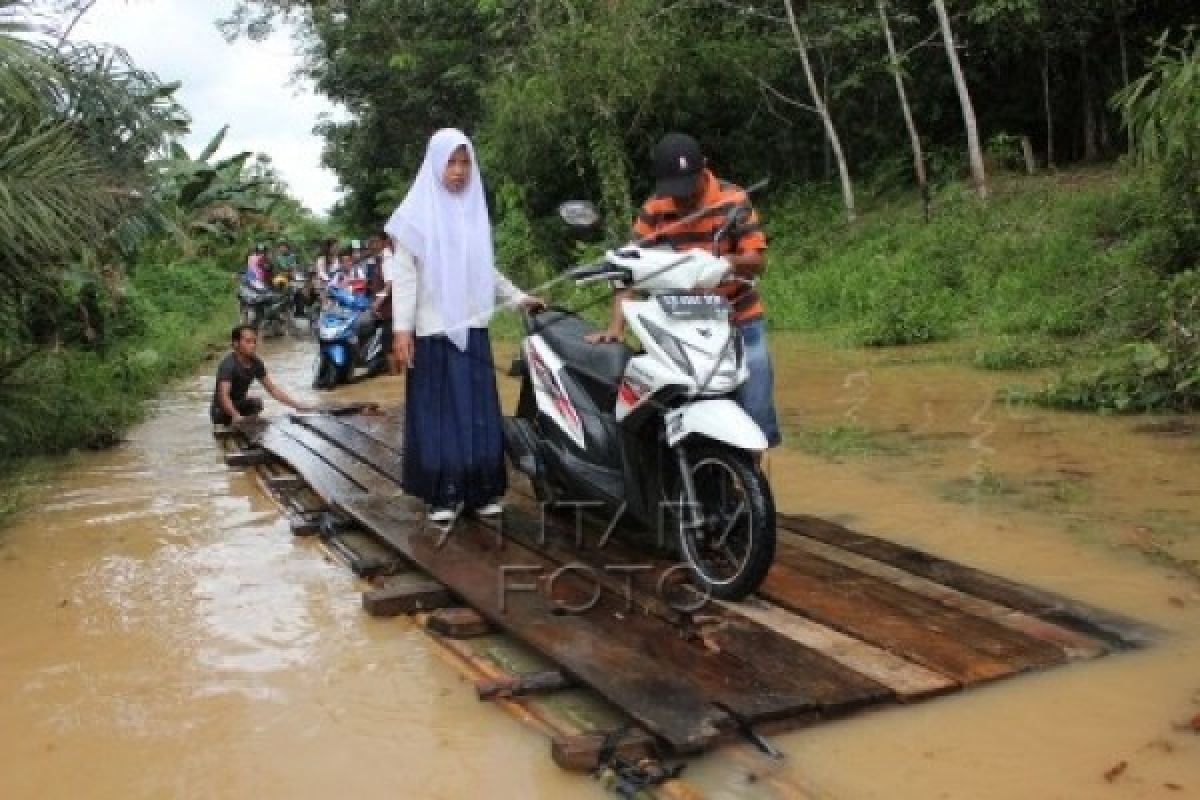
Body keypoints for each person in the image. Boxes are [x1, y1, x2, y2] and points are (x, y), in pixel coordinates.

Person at [386, 128, 542, 523]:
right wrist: (401, 330)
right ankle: (443, 494)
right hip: (433, 331)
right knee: (440, 412)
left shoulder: (471, 213)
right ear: (435, 163)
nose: (458, 171)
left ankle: (481, 490)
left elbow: (482, 269)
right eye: (451, 162)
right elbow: (404, 276)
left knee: (476, 409)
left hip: (471, 326)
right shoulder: (414, 217)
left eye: (465, 162)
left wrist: (517, 297)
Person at [588, 132, 782, 449]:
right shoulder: (654, 210)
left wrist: (725, 263)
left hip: (738, 319)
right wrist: (616, 326)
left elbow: (757, 261)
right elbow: (628, 266)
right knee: (660, 408)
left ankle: (747, 480)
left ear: (704, 168)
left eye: (689, 190)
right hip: (679, 325)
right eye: (676, 192)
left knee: (755, 412)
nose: (683, 199)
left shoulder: (733, 201)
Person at [210, 324, 315, 425]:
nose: (253, 345)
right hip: (221, 411)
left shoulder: (255, 362)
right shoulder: (228, 365)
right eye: (248, 341)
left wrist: (297, 405)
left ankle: (248, 427)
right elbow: (224, 396)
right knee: (251, 405)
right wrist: (236, 415)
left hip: (239, 406)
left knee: (256, 403)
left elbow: (272, 390)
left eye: (254, 341)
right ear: (235, 344)